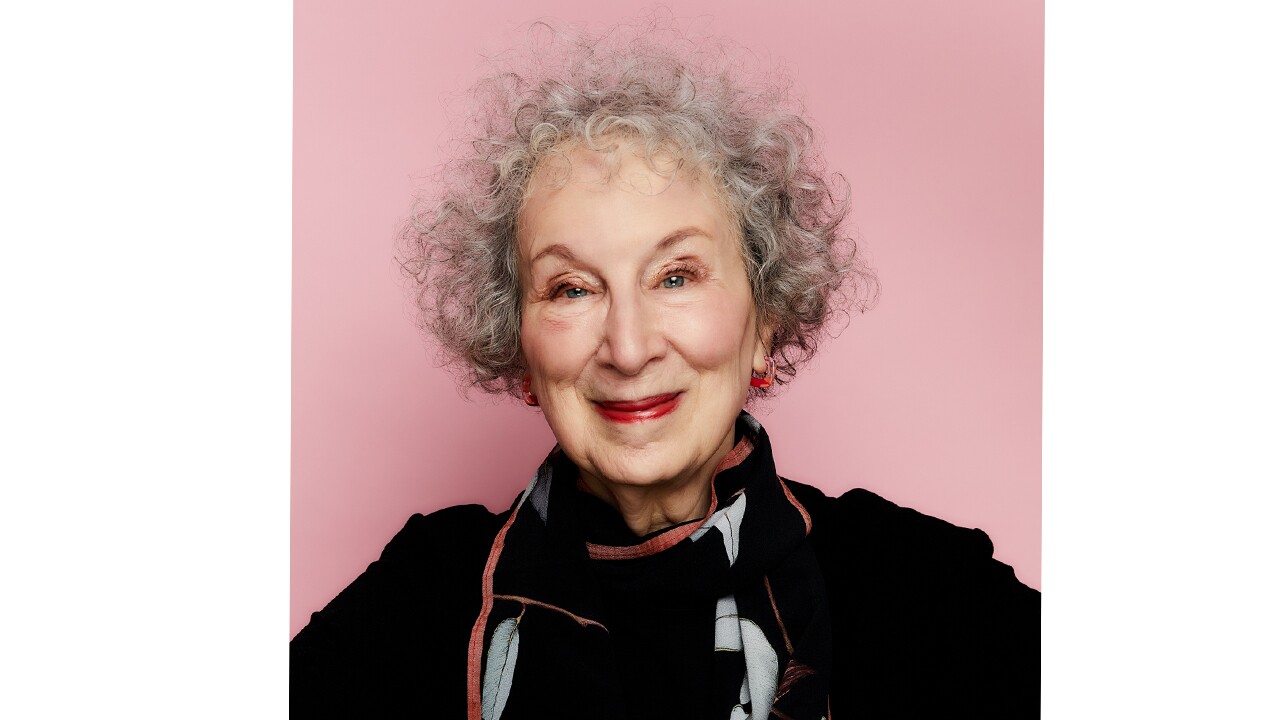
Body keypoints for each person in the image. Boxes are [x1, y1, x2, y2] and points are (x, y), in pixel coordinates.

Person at [291, 21, 1039, 719]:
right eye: (572, 289)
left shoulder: (922, 588)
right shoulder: (423, 599)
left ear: (764, 320)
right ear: (519, 348)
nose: (628, 346)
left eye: (676, 276)